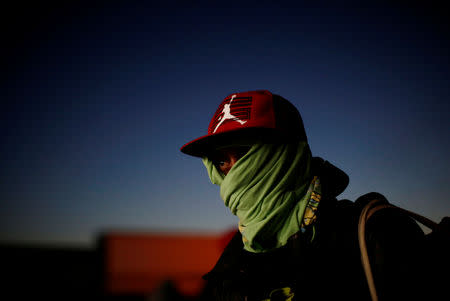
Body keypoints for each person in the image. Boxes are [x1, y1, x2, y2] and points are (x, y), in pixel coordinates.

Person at [179, 90, 441, 301]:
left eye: (246, 153)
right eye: (222, 161)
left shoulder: (372, 234)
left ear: (288, 154)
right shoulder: (230, 265)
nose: (234, 173)